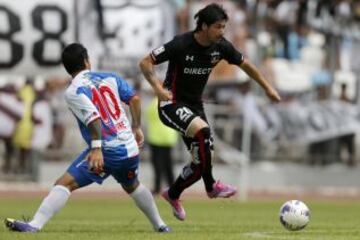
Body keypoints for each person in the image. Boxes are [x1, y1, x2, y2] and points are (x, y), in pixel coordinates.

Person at [5, 43, 170, 233]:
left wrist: (97, 148)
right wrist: (137, 127)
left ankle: (34, 226)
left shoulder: (74, 91)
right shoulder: (110, 77)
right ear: (86, 61)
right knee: (132, 185)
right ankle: (160, 225)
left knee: (63, 183)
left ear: (67, 68)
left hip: (107, 149)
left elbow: (94, 118)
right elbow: (135, 99)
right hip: (130, 148)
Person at [139, 3, 281, 221]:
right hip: (171, 104)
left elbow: (246, 64)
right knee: (203, 132)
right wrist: (158, 89)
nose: (222, 31)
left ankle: (173, 193)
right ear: (204, 26)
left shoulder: (221, 46)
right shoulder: (180, 44)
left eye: (224, 27)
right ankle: (211, 186)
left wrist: (268, 88)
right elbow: (145, 62)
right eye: (218, 27)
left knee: (202, 161)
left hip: (195, 106)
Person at [146, 97, 177, 194]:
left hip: (156, 137)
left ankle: (157, 187)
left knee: (157, 164)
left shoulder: (154, 103)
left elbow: (149, 116)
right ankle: (173, 187)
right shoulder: (172, 104)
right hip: (169, 137)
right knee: (169, 165)